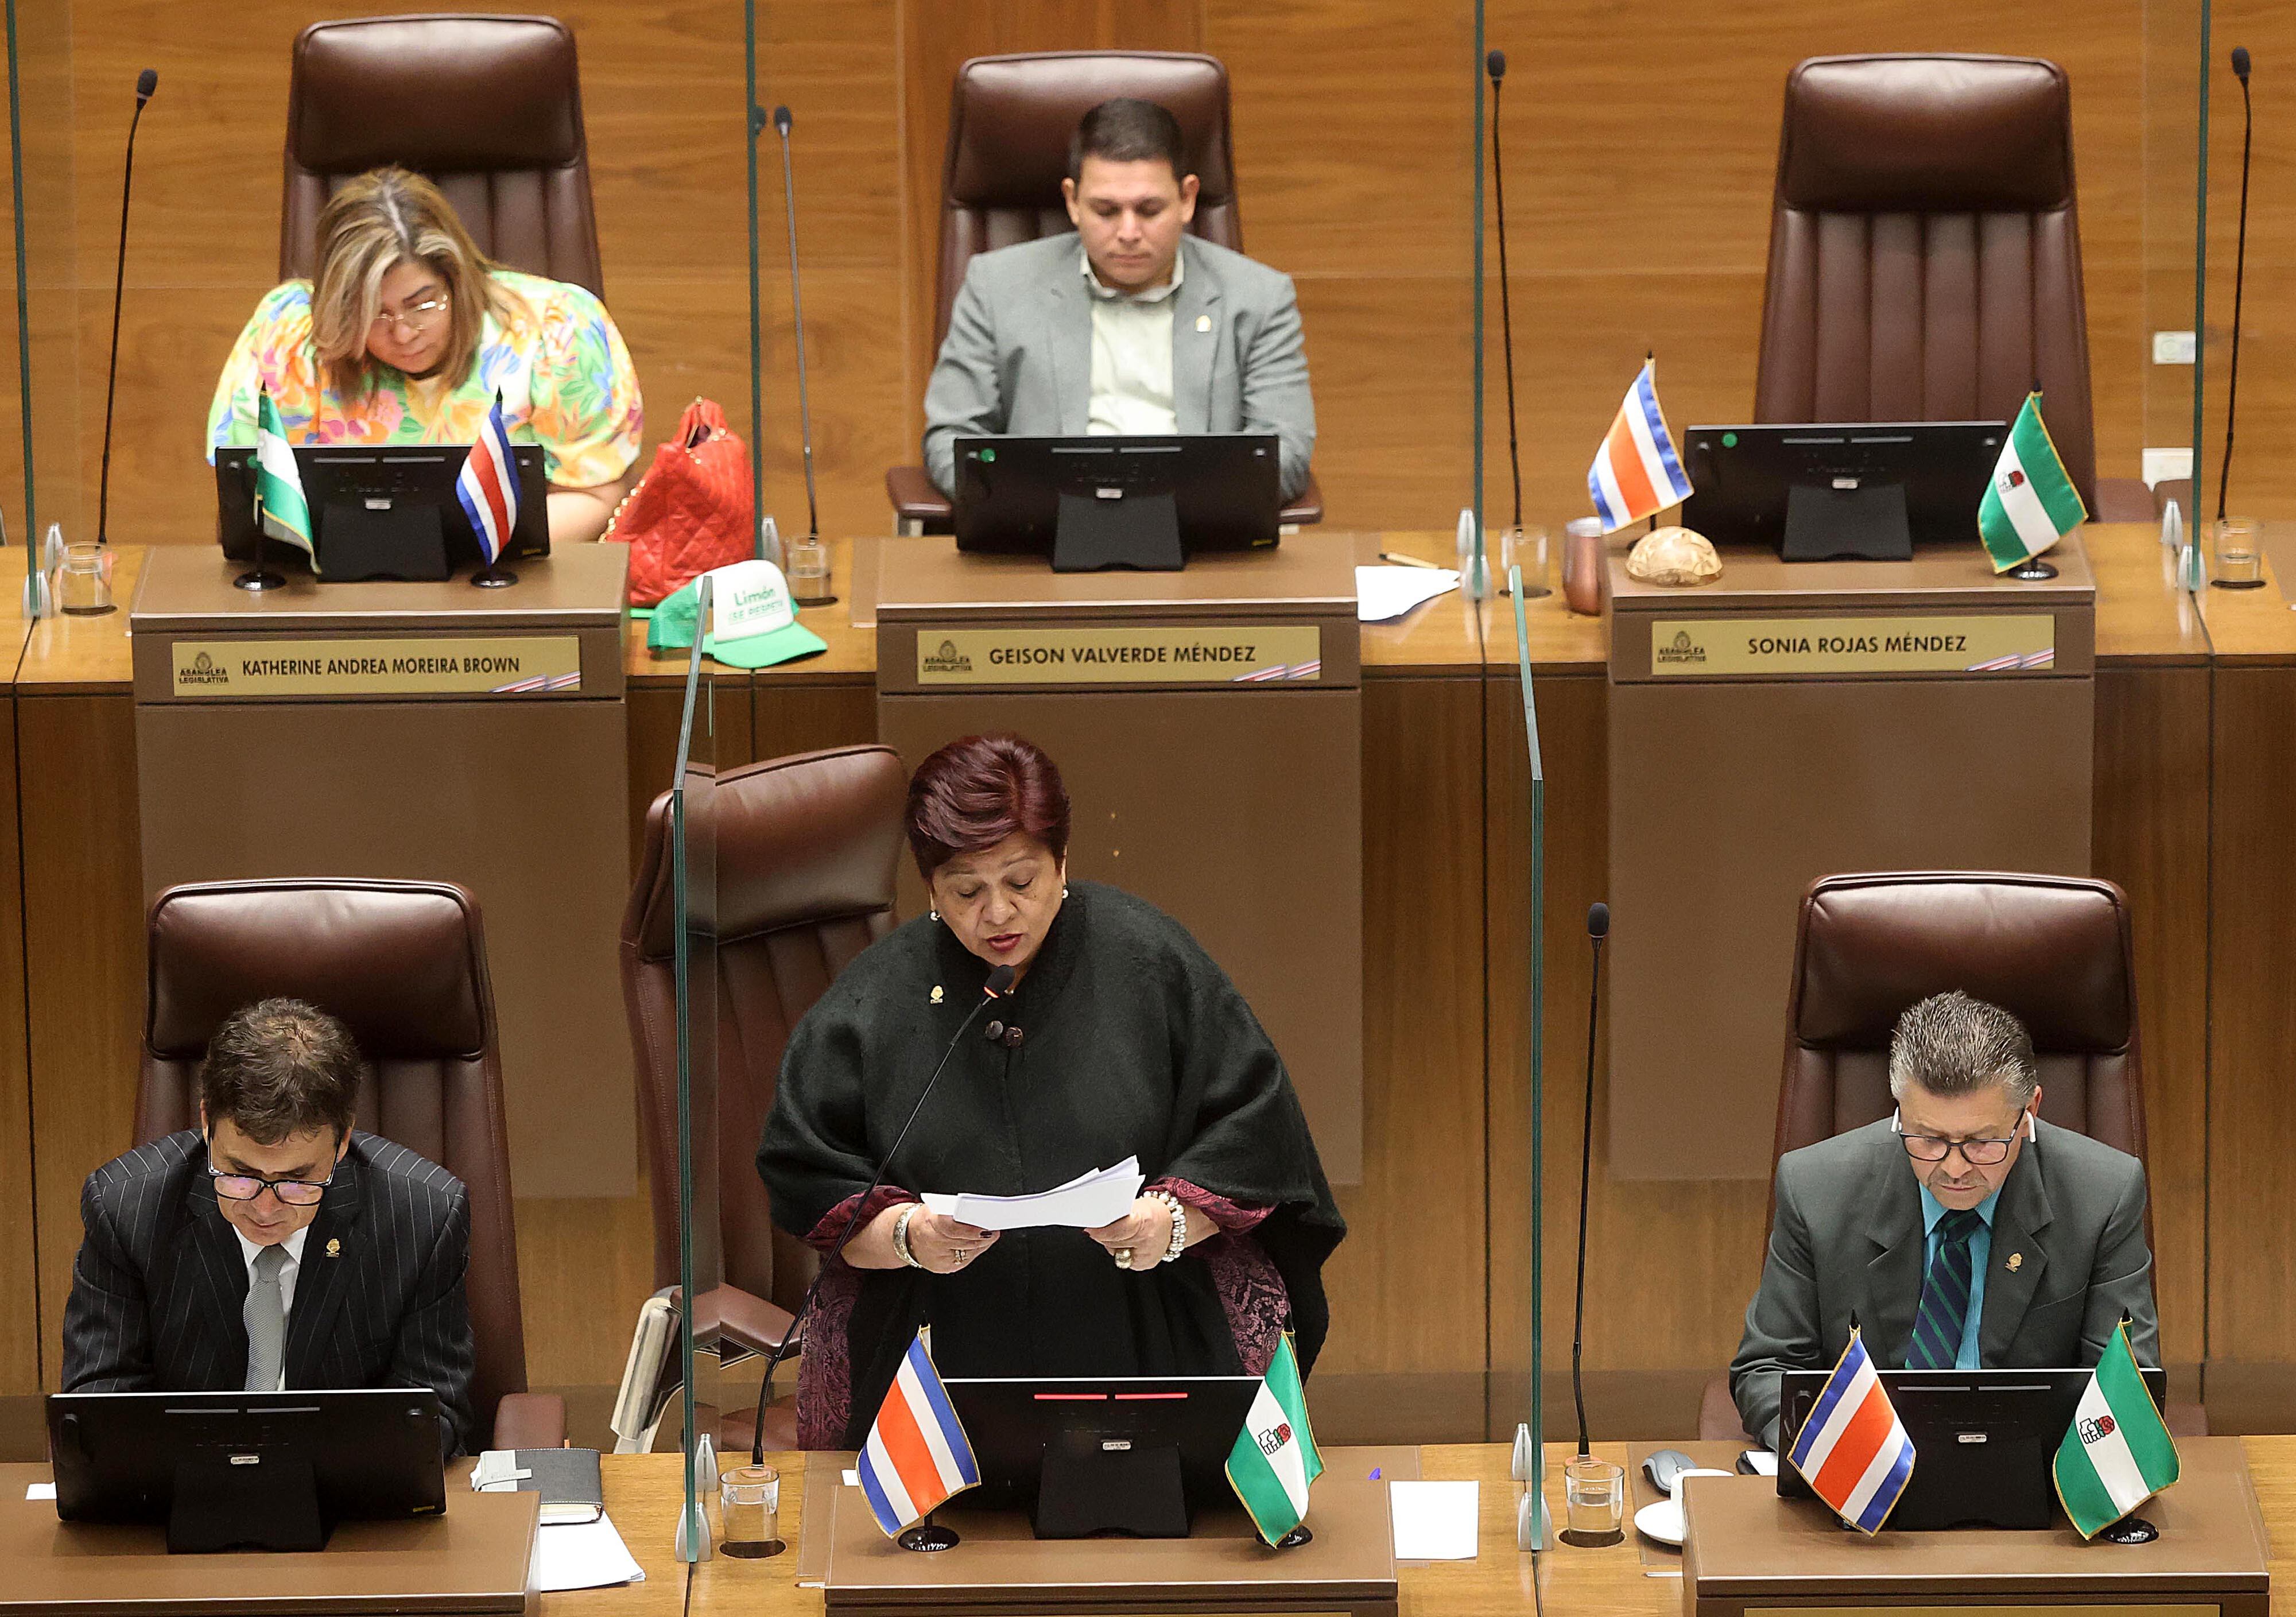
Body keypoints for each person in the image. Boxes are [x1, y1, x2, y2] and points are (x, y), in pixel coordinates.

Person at [757, 732, 1344, 1448]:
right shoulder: (875, 999)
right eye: (967, 891)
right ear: (931, 890)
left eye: (1021, 882)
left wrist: (1173, 1221)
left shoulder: (1149, 961)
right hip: (938, 1356)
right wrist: (908, 1237)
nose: (998, 914)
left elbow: (1258, 1132)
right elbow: (808, 1174)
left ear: (1063, 864)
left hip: (1147, 1334)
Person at [1729, 990, 2159, 1449]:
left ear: (2030, 1112)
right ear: (1899, 1110)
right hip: (1863, 1485)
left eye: (1981, 1142)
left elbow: (2127, 1391)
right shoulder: (1815, 1189)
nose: (1954, 1168)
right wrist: (1837, 1461)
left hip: (2034, 1484)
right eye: (1929, 1138)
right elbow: (1767, 1372)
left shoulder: (2104, 1194)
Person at [61, 998, 477, 1456]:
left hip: (349, 1508)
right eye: (239, 1173)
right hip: (183, 1503)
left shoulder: (422, 1218)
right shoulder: (126, 1208)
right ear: (206, 1123)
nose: (264, 1208)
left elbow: (433, 1415)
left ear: (342, 1141)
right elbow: (98, 1405)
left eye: (297, 1180)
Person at [207, 166, 642, 546]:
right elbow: (243, 494)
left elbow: (597, 495)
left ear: (457, 279)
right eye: (373, 313)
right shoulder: (287, 337)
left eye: (422, 303)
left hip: (505, 589)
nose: (403, 332)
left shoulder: (558, 328)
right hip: (334, 598)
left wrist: (446, 559)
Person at [921, 97, 1316, 504]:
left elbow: (1285, 451)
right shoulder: (996, 287)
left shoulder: (1260, 298)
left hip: (1201, 543)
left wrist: (1179, 512)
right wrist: (1031, 506)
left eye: (1149, 210)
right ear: (1073, 201)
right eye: (1106, 211)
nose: (1128, 232)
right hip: (1043, 539)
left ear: (1187, 198)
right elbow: (951, 440)